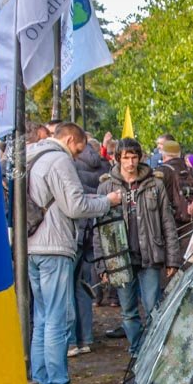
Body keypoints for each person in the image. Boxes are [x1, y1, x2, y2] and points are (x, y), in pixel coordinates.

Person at [27, 123, 122, 384]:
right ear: (70, 140)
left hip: (32, 244)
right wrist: (107, 202)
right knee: (59, 317)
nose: (78, 156)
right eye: (79, 150)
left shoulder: (32, 156)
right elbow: (75, 207)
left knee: (42, 318)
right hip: (54, 246)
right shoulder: (59, 160)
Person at [94, 139, 181, 357]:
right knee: (128, 311)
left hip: (150, 254)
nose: (131, 162)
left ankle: (152, 353)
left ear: (140, 158)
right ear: (118, 159)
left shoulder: (155, 185)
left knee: (153, 307)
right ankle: (136, 351)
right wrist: (102, 264)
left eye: (134, 157)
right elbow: (98, 230)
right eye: (126, 158)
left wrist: (172, 258)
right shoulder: (106, 187)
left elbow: (167, 222)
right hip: (119, 258)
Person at [67, 137, 111, 354]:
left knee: (67, 287)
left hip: (74, 231)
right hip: (93, 229)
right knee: (83, 286)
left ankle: (71, 341)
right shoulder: (104, 164)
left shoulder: (70, 164)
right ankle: (86, 337)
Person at [156, 138, 193, 262]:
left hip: (172, 224)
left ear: (163, 154)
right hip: (191, 221)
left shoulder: (162, 172)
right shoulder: (191, 171)